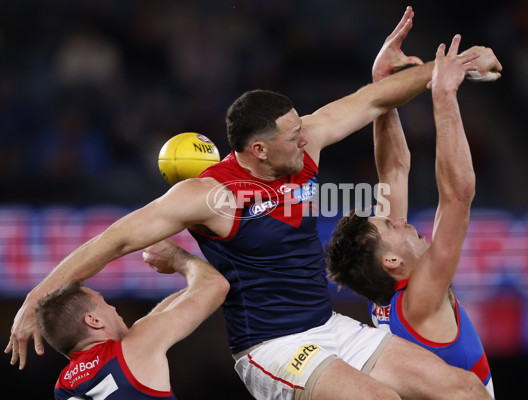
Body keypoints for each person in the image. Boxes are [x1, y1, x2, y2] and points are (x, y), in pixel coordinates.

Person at [7, 7, 501, 400]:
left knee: (464, 390)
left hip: (329, 327)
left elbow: (372, 100)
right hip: (274, 348)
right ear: (258, 150)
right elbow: (114, 240)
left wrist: (452, 66)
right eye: (292, 135)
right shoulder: (207, 195)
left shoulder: (302, 144)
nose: (304, 137)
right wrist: (35, 298)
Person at [326, 28, 499, 398]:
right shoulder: (419, 299)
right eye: (391, 225)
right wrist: (443, 94)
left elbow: (393, 170)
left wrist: (383, 87)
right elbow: (457, 195)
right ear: (391, 260)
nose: (400, 219)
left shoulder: (384, 295)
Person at [34, 239, 229, 399]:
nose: (113, 308)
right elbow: (216, 285)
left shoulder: (63, 387)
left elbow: (155, 320)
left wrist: (195, 287)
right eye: (104, 302)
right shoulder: (135, 346)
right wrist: (176, 257)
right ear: (94, 320)